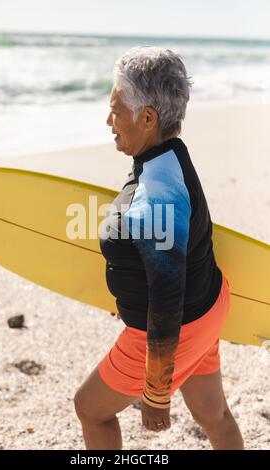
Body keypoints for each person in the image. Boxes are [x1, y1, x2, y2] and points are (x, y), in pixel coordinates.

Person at [74, 46, 244, 450]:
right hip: (209, 305)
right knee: (215, 415)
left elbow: (167, 302)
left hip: (172, 330)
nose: (108, 121)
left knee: (90, 409)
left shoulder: (157, 194)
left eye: (116, 111)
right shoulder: (168, 158)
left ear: (147, 117)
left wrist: (156, 392)